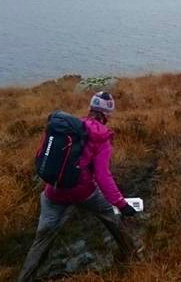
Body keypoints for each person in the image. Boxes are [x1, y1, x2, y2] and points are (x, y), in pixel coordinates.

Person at [18, 92, 138, 282]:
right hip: (84, 192)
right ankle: (131, 255)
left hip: (53, 192)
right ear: (107, 114)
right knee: (110, 215)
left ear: (90, 109)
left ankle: (25, 278)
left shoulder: (68, 129)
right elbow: (102, 176)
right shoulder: (101, 138)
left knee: (42, 237)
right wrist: (121, 204)